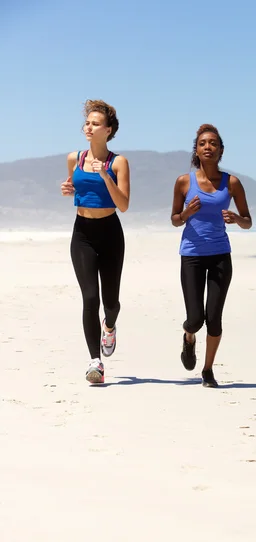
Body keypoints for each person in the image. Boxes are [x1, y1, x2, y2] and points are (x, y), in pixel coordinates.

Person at [171, 124, 252, 388]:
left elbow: (248, 221)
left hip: (220, 256)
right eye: (203, 143)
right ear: (196, 149)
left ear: (221, 150)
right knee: (195, 319)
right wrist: (185, 214)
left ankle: (207, 370)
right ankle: (188, 337)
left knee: (214, 319)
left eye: (213, 143)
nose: (208, 147)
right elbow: (174, 220)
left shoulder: (232, 183)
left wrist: (236, 218)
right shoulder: (184, 182)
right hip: (192, 256)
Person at [60, 100, 130, 384]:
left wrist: (105, 174)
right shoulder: (73, 158)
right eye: (87, 122)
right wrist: (68, 190)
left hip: (111, 232)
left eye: (95, 123)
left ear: (108, 129)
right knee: (91, 297)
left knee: (110, 302)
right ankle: (95, 362)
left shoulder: (119, 162)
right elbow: (74, 187)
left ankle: (109, 325)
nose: (88, 127)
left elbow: (123, 204)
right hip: (83, 233)